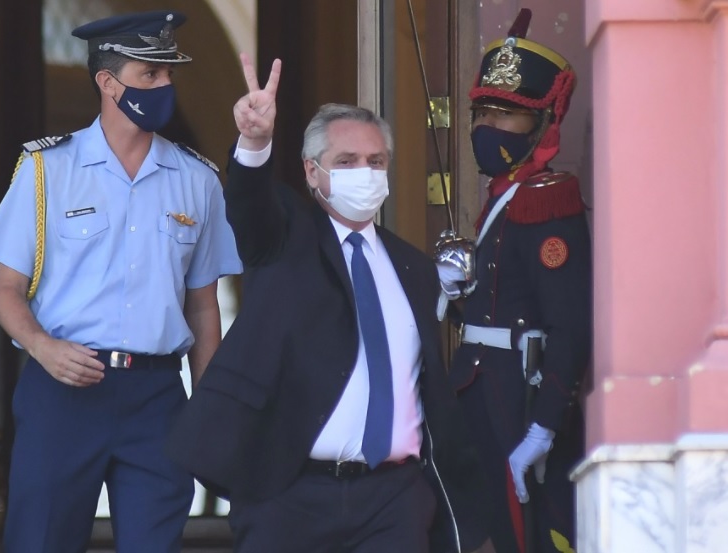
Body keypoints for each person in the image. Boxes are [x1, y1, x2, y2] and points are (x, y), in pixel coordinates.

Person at [169, 53, 488, 553]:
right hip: (291, 493)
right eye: (346, 162)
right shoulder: (284, 238)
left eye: (375, 161)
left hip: (393, 498)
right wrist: (254, 141)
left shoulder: (414, 269)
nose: (365, 172)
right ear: (312, 173)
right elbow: (250, 205)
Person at [0, 10, 242, 553]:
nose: (165, 88)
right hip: (64, 389)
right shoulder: (48, 170)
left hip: (158, 395)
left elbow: (204, 306)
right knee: (41, 540)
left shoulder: (198, 179)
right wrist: (43, 348)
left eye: (170, 76)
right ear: (107, 82)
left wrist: (209, 402)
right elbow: (5, 291)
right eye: (150, 76)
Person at [435, 8, 591, 553]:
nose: (487, 128)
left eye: (507, 115)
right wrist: (456, 295)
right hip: (479, 385)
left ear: (545, 121)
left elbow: (570, 325)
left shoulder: (548, 199)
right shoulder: (502, 196)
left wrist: (545, 426)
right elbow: (493, 305)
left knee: (530, 534)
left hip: (520, 395)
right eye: (483, 112)